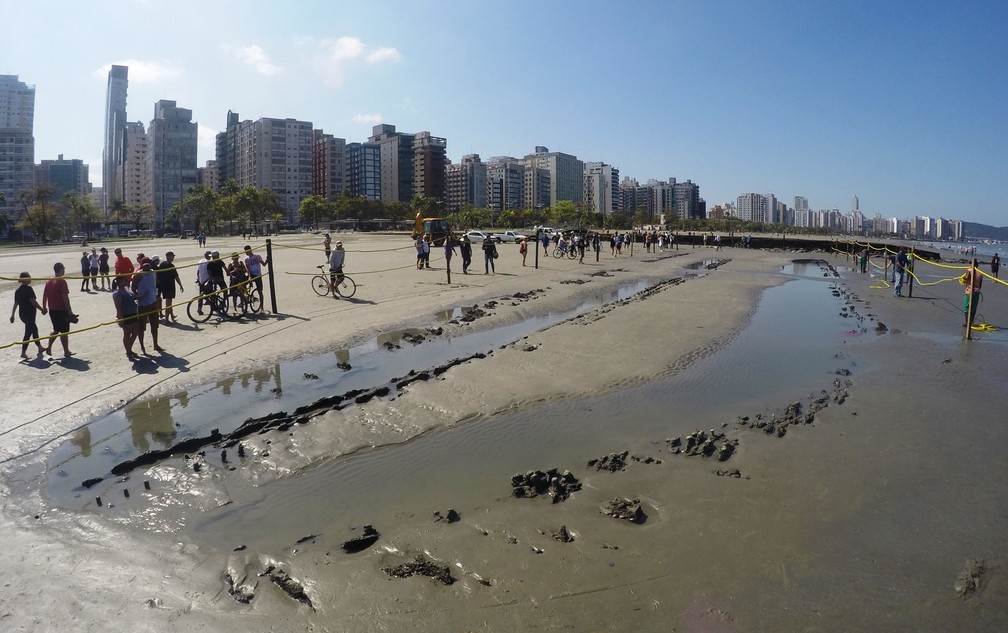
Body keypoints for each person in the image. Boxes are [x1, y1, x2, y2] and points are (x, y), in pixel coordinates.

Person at [42, 262, 77, 358]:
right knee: (64, 332)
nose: (64, 270)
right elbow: (65, 297)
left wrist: (44, 307)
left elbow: (45, 294)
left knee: (56, 330)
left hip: (52, 310)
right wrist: (69, 311)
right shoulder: (62, 282)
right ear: (60, 269)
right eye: (63, 269)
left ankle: (49, 347)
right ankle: (66, 351)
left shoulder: (49, 280)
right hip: (61, 310)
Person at [10, 272, 47, 359]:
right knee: (29, 331)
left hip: (22, 315)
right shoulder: (29, 289)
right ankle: (23, 352)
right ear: (25, 279)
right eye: (29, 276)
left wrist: (13, 315)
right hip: (29, 314)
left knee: (34, 329)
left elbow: (16, 304)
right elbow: (33, 301)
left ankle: (40, 347)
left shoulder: (18, 291)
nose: (30, 278)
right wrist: (42, 309)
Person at [131, 257, 162, 353]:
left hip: (153, 303)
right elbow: (133, 287)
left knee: (155, 326)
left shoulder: (153, 272)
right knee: (141, 328)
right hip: (142, 305)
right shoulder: (138, 275)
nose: (147, 267)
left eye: (148, 265)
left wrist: (156, 295)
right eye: (145, 266)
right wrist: (138, 296)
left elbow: (155, 284)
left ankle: (155, 344)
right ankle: (142, 346)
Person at [112, 275, 140, 360]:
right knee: (127, 334)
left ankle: (129, 349)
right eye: (124, 280)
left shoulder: (127, 290)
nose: (126, 281)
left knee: (135, 332)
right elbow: (118, 308)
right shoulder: (117, 293)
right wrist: (121, 319)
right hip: (126, 315)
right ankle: (128, 351)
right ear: (120, 282)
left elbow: (133, 297)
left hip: (133, 313)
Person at [157, 251, 184, 322]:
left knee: (169, 302)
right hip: (169, 286)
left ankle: (171, 315)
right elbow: (176, 277)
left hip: (163, 286)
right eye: (172, 256)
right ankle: (166, 319)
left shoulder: (161, 264)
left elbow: (158, 276)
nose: (173, 258)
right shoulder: (171, 265)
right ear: (168, 256)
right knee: (168, 303)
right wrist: (180, 285)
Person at [243, 244, 269, 312]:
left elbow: (263, 264)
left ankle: (262, 307)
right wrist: (250, 278)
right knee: (242, 285)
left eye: (247, 251)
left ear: (250, 250)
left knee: (260, 291)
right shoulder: (246, 259)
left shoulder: (257, 256)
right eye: (245, 251)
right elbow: (248, 269)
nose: (246, 253)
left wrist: (267, 260)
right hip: (251, 275)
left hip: (258, 275)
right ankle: (246, 298)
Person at [962, 258, 983, 329]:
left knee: (966, 307)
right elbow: (980, 285)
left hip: (969, 291)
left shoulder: (969, 270)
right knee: (973, 308)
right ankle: (970, 322)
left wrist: (963, 279)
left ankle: (967, 323)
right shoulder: (980, 273)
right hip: (977, 292)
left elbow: (967, 277)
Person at [195, 249, 212, 314]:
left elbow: (198, 271)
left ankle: (199, 309)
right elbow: (209, 272)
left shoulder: (200, 261)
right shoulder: (209, 262)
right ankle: (211, 305)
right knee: (211, 294)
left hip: (201, 280)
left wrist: (198, 279)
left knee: (201, 295)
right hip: (207, 280)